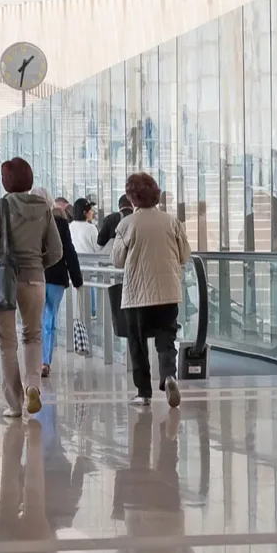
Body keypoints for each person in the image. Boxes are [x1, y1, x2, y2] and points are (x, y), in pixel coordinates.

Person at [0, 157, 62, 418]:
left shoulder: (0, 207)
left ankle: (14, 404)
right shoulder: (44, 208)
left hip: (4, 281)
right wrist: (38, 263)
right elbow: (57, 251)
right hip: (35, 279)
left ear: (6, 181)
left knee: (7, 342)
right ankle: (33, 386)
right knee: (33, 335)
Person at [113, 172, 191, 408]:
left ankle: (143, 392)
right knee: (166, 339)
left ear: (132, 198)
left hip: (137, 295)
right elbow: (185, 255)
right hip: (168, 292)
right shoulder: (171, 222)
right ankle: (168, 375)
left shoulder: (126, 224)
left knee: (137, 344)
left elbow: (117, 260)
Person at [40, 187, 82, 378]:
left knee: (36, 320)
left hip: (34, 277)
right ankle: (45, 361)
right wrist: (77, 279)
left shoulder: (28, 223)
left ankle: (37, 359)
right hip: (56, 277)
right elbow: (69, 251)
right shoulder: (60, 223)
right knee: (50, 320)